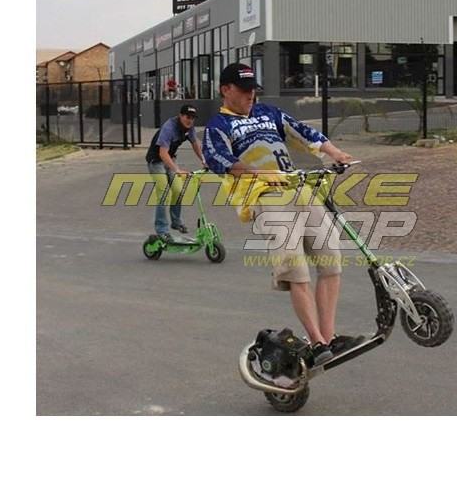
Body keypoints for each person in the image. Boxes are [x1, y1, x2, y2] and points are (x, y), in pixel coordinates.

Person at [203, 63, 361, 365]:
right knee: (296, 270)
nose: (250, 95)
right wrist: (259, 173)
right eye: (244, 90)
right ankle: (316, 342)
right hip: (265, 197)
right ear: (226, 90)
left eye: (253, 89)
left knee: (331, 259)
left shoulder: (269, 113)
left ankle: (329, 338)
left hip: (299, 188)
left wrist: (335, 152)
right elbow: (217, 158)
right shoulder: (218, 125)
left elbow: (303, 132)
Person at [146, 104, 206, 241]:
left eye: (192, 118)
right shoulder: (169, 128)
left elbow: (195, 143)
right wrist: (177, 170)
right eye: (187, 117)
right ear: (180, 116)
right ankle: (162, 230)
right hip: (156, 161)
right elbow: (162, 153)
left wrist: (204, 160)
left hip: (170, 159)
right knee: (163, 194)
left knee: (178, 190)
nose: (190, 120)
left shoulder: (189, 128)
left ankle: (176, 221)